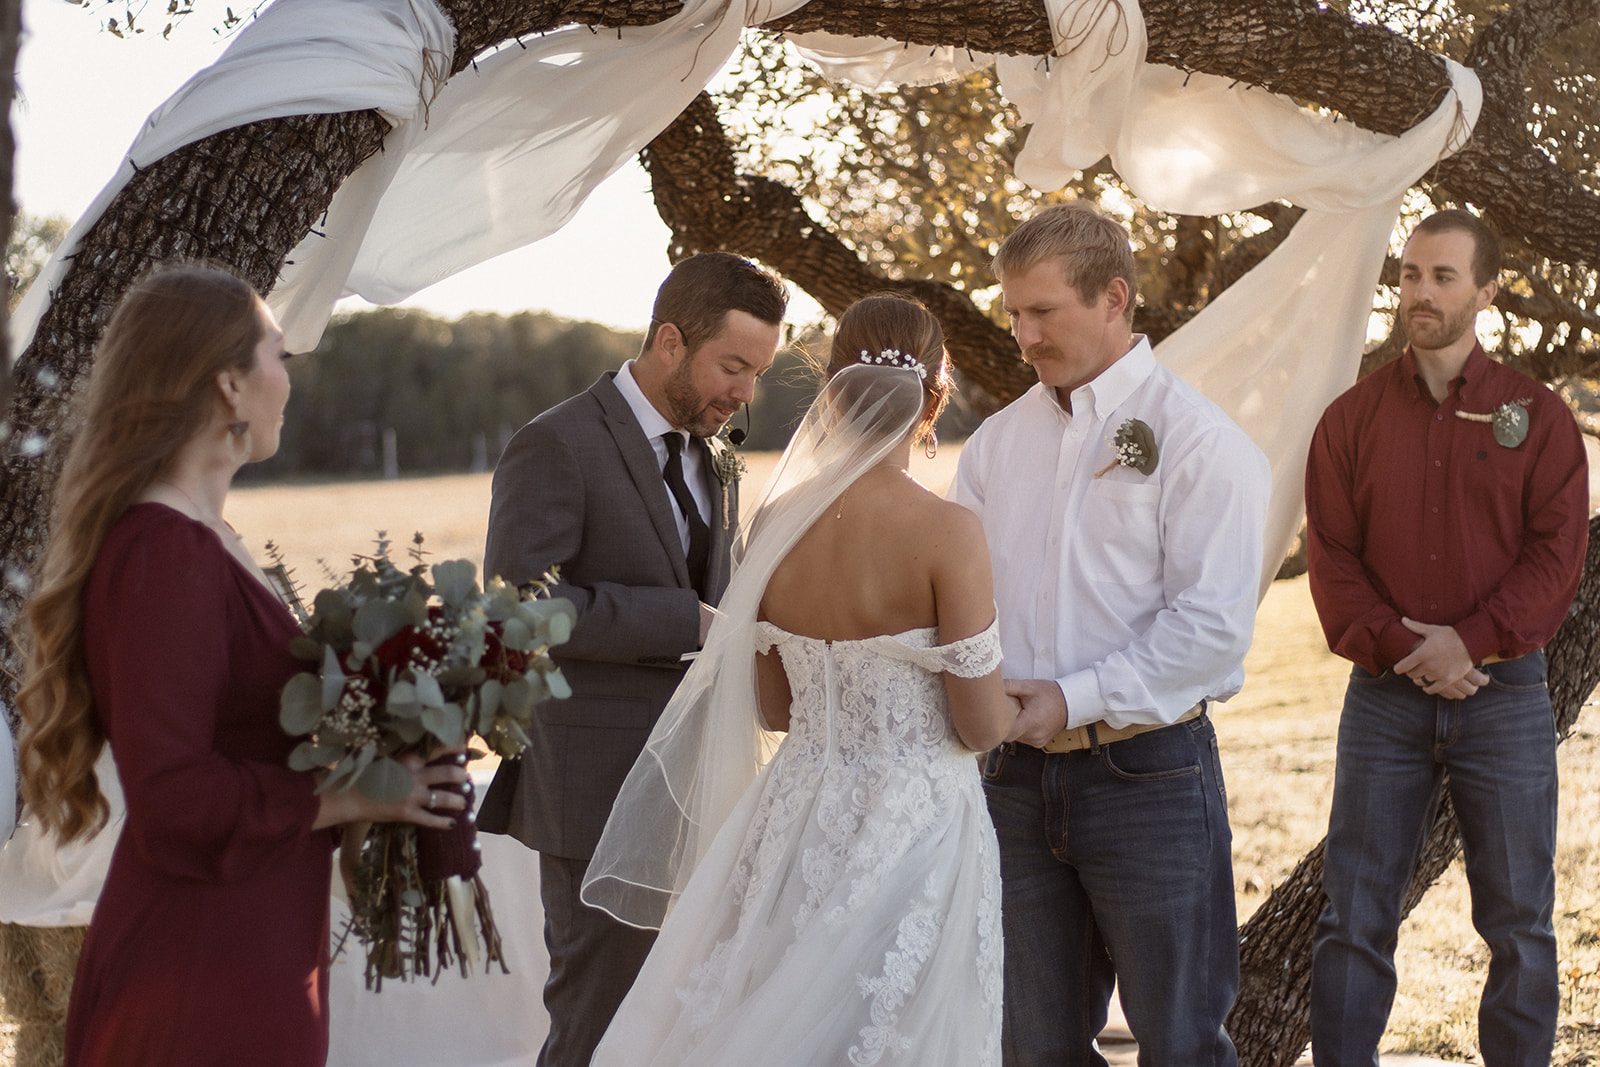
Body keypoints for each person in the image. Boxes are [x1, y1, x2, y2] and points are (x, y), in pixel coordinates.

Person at [13, 263, 465, 1067]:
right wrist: (355, 792)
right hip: (201, 968)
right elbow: (175, 796)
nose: (287, 380)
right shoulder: (165, 551)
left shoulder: (201, 538)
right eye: (277, 356)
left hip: (251, 935)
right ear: (228, 384)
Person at [579, 292, 1017, 1065]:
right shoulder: (949, 532)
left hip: (795, 816)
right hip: (917, 823)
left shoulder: (773, 524)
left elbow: (776, 705)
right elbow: (981, 725)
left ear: (833, 390)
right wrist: (1032, 703)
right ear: (935, 396)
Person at [950, 202, 1271, 1065]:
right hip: (1012, 784)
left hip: (1150, 775)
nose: (1022, 335)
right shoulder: (991, 447)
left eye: (1043, 311)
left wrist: (1069, 697)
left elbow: (1210, 631)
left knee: (1181, 1040)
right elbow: (957, 598)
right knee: (1031, 1044)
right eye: (1012, 312)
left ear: (1114, 298)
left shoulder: (1202, 443)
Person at [479, 251, 787, 1066]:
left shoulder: (716, 454)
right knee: (598, 1027)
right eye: (733, 366)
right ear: (669, 341)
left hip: (701, 786)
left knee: (684, 1026)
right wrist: (678, 618)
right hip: (592, 792)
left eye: (758, 371)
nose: (745, 392)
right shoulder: (556, 444)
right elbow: (518, 611)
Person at [1304, 210, 1588, 1065]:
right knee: (1353, 916)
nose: (1419, 291)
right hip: (1383, 702)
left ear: (1487, 292)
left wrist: (1470, 641)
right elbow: (1333, 559)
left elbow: (1556, 556)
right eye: (1411, 273)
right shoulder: (1349, 419)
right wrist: (1402, 646)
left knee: (1520, 923)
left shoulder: (1537, 418)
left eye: (1443, 276)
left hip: (1505, 699)